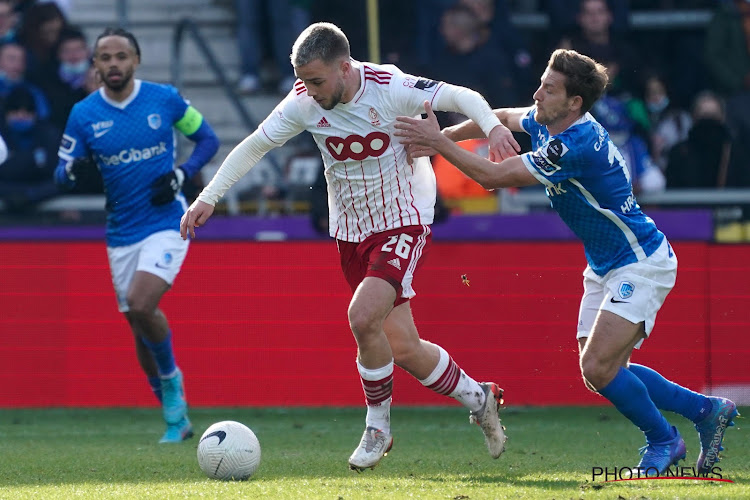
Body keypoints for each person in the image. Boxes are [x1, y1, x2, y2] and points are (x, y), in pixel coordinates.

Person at [181, 22, 516, 471]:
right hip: (351, 230)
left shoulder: (390, 86)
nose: (311, 91)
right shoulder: (304, 100)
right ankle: (481, 397)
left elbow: (464, 97)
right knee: (405, 348)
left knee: (361, 317)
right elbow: (255, 145)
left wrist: (492, 128)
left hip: (404, 220)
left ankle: (378, 427)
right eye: (304, 80)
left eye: (318, 81)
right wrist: (208, 198)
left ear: (345, 67)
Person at [394, 48, 739, 477]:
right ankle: (707, 411)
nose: (537, 92)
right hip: (605, 263)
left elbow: (492, 177)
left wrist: (437, 143)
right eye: (541, 81)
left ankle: (664, 441)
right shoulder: (548, 116)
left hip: (640, 261)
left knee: (599, 365)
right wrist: (454, 134)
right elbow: (500, 116)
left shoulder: (576, 145)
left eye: (549, 88)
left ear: (574, 102)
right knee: (602, 371)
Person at [53, 27, 220, 443]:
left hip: (166, 221)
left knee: (142, 303)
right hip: (120, 232)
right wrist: (74, 173)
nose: (113, 64)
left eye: (121, 56)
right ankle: (174, 417)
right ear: (94, 65)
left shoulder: (165, 99)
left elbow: (207, 138)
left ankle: (173, 387)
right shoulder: (84, 114)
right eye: (105, 57)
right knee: (137, 323)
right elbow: (61, 170)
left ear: (136, 60)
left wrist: (181, 174)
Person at [0, 85, 60, 213]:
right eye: (15, 112)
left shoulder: (49, 135)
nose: (21, 116)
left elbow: (56, 173)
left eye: (27, 112)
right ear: (6, 114)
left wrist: (30, 195)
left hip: (41, 193)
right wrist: (32, 160)